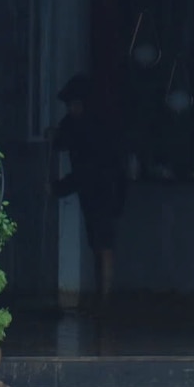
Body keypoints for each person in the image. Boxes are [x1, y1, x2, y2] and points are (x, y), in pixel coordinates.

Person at [51, 73, 126, 305]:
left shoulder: (96, 129)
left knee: (103, 245)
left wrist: (58, 188)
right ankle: (102, 295)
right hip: (91, 193)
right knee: (96, 244)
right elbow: (61, 140)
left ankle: (105, 298)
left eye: (74, 104)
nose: (71, 109)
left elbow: (86, 172)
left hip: (105, 191)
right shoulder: (74, 124)